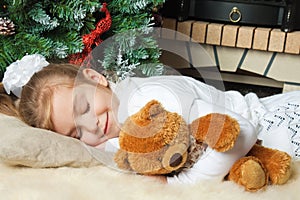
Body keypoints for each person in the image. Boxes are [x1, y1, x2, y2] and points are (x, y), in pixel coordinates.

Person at [1, 55, 300, 184]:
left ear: (95, 78)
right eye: (77, 132)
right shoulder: (111, 138)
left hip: (268, 121)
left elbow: (241, 131)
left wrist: (185, 185)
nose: (91, 124)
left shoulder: (149, 98)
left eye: (84, 106)